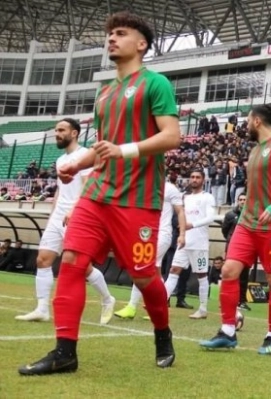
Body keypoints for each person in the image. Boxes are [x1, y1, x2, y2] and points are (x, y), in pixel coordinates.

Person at [19, 11, 182, 375]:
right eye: (109, 33)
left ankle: (162, 331)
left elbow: (172, 137)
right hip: (96, 194)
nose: (111, 38)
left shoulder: (156, 84)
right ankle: (65, 352)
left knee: (144, 277)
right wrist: (78, 165)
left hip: (138, 199)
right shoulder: (105, 91)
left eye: (120, 33)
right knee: (73, 264)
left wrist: (124, 151)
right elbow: (102, 145)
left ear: (141, 44)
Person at [199, 104, 271, 355]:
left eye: (247, 120)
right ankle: (227, 331)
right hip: (247, 224)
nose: (245, 125)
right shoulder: (255, 151)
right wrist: (244, 214)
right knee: (229, 270)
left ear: (256, 121)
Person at [15, 119, 116, 325]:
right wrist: (53, 215)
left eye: (61, 130)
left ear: (75, 133)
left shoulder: (85, 156)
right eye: (56, 130)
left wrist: (75, 209)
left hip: (77, 215)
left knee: (82, 266)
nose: (57, 134)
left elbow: (89, 187)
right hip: (58, 216)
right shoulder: (61, 160)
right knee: (43, 259)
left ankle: (108, 299)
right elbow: (61, 190)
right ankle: (42, 309)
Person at [113, 179, 186, 319]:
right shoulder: (143, 186)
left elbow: (180, 212)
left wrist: (182, 234)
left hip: (162, 234)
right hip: (145, 233)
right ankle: (160, 308)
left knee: (141, 266)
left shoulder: (170, 189)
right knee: (156, 273)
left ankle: (131, 307)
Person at [164, 169, 215, 319]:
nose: (194, 179)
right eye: (192, 177)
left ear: (203, 180)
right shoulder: (184, 197)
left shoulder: (208, 197)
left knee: (201, 275)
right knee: (174, 270)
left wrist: (192, 224)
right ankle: (161, 304)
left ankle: (203, 309)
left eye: (197, 177)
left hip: (199, 244)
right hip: (184, 241)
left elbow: (211, 218)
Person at [221, 193, 251, 311]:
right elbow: (225, 230)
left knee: (244, 275)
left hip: (246, 248)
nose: (243, 201)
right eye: (241, 199)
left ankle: (241, 301)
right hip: (232, 247)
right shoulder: (230, 215)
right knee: (229, 273)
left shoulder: (250, 215)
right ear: (237, 201)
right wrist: (231, 240)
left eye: (245, 199)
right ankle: (226, 299)